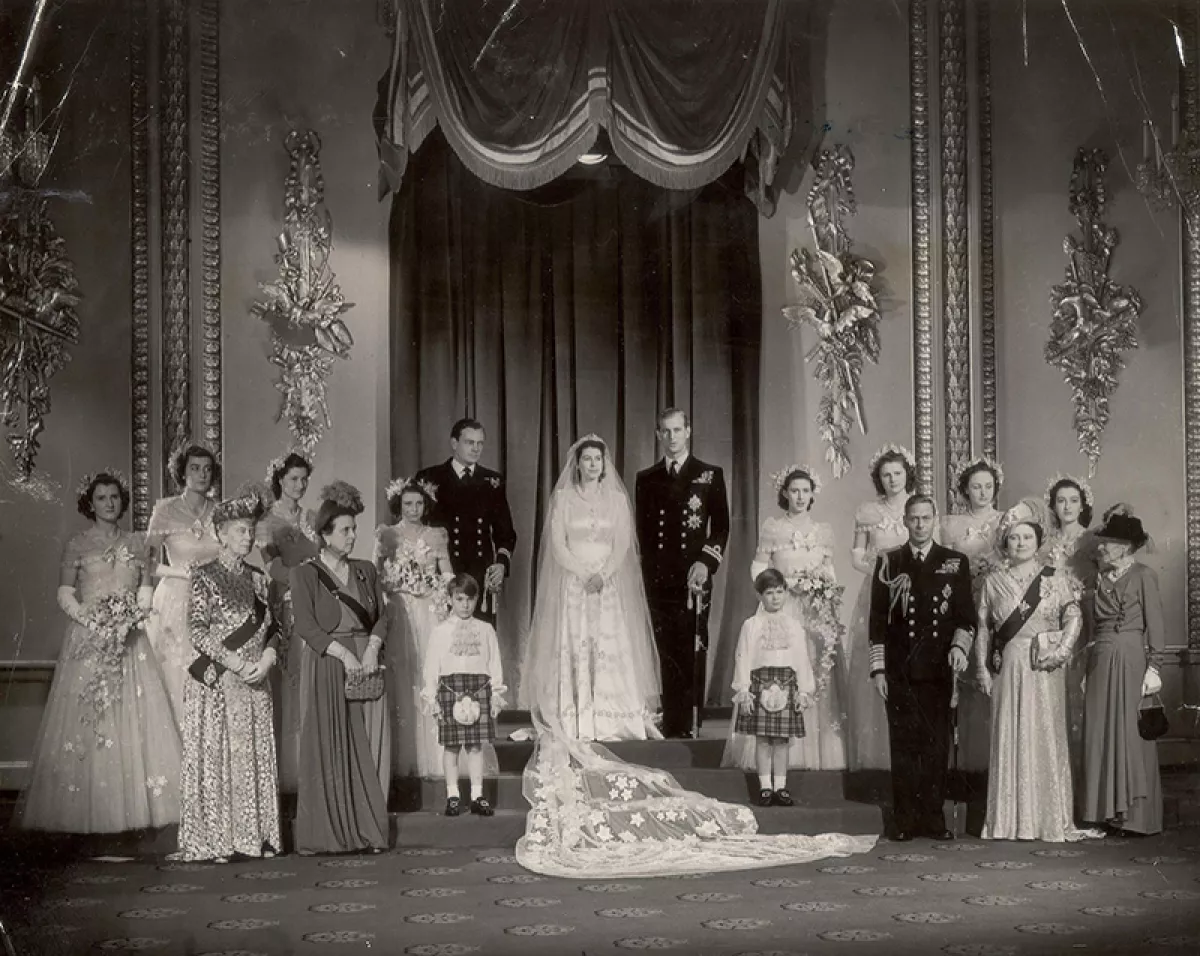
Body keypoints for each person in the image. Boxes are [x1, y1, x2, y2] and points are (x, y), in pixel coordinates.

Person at [18, 471, 181, 833]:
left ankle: (136, 812)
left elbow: (146, 586)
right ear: (90, 505)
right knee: (93, 719)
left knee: (131, 717)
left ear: (122, 500)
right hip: (89, 639)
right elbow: (64, 592)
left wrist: (133, 616)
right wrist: (92, 622)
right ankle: (88, 813)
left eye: (114, 497)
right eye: (102, 498)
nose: (110, 503)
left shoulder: (137, 542)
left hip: (130, 640)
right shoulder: (77, 543)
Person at [519, 436, 662, 742]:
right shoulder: (563, 498)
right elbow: (558, 544)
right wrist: (583, 574)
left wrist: (604, 574)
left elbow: (622, 542)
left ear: (604, 463)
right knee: (575, 643)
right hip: (575, 584)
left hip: (606, 586)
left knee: (605, 645)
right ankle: (576, 715)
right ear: (577, 463)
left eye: (598, 458)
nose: (593, 464)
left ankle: (608, 716)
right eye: (587, 459)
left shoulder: (617, 501)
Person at [975, 513, 1100, 842]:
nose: (1020, 543)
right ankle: (1008, 821)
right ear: (1005, 542)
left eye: (1027, 537)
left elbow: (1073, 616)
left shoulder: (1054, 577)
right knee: (1009, 736)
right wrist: (982, 671)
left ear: (1038, 541)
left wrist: (1060, 653)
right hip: (1008, 666)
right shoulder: (992, 582)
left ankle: (1046, 820)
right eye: (1014, 538)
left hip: (1043, 666)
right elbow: (984, 631)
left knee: (1043, 734)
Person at [174, 490, 281, 862]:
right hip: (218, 681)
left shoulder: (258, 579)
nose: (247, 538)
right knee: (221, 760)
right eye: (239, 531)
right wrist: (235, 664)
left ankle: (256, 838)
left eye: (250, 531)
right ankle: (220, 840)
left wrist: (266, 661)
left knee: (252, 759)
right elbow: (198, 632)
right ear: (220, 533)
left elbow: (273, 629)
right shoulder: (204, 575)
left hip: (255, 681)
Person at [290, 481, 390, 854]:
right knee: (329, 749)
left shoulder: (366, 571)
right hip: (330, 665)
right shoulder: (304, 575)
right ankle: (330, 835)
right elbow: (306, 626)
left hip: (368, 663)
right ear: (325, 534)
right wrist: (347, 656)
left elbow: (382, 616)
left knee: (370, 748)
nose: (352, 536)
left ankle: (370, 830)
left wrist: (371, 650)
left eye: (354, 530)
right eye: (345, 530)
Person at [724, 465, 845, 772]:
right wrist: (774, 591)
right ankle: (769, 751)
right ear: (784, 494)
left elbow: (829, 571)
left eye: (806, 491)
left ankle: (813, 751)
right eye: (795, 491)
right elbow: (758, 566)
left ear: (812, 494)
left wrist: (822, 587)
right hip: (782, 608)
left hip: (814, 611)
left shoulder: (823, 532)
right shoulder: (773, 528)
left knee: (812, 672)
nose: (800, 497)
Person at [869, 494, 974, 841]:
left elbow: (966, 617)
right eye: (913, 518)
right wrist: (879, 670)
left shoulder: (955, 562)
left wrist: (960, 647)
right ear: (904, 520)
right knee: (903, 747)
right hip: (900, 672)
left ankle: (933, 819)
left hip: (937, 671)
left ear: (935, 520)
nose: (919, 524)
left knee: (935, 746)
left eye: (926, 518)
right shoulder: (889, 561)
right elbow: (877, 622)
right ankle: (905, 821)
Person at [634, 408, 730, 738]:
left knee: (692, 647)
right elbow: (643, 533)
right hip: (658, 577)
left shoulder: (709, 474)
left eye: (678, 430)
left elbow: (721, 528)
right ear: (659, 435)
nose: (672, 437)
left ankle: (690, 722)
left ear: (688, 431)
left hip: (694, 577)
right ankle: (672, 721)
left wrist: (706, 562)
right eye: (666, 431)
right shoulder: (646, 478)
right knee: (665, 650)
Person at [375, 476, 472, 778]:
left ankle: (438, 757)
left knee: (430, 675)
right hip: (400, 610)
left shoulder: (435, 535)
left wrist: (448, 603)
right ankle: (404, 757)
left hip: (430, 611)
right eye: (407, 504)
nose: (413, 509)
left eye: (418, 504)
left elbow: (447, 575)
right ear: (398, 505)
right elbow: (376, 573)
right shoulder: (387, 534)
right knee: (403, 675)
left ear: (425, 505)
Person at [1081, 505, 1164, 836]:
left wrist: (1155, 666)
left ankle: (1135, 818)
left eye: (1108, 542)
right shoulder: (1097, 578)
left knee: (1130, 733)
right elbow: (1090, 628)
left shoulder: (1144, 576)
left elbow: (1155, 623)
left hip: (1131, 660)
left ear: (1126, 546)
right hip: (1101, 659)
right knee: (1099, 732)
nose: (1101, 547)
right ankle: (1103, 815)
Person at [846, 444, 915, 770]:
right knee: (875, 662)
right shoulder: (868, 512)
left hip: (915, 593)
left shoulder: (921, 508)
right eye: (886, 475)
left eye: (898, 473)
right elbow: (857, 555)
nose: (893, 480)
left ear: (907, 475)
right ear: (879, 479)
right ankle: (877, 753)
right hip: (878, 590)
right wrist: (881, 573)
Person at [146, 443, 222, 727]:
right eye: (194, 468)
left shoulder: (221, 511)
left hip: (214, 603)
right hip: (175, 601)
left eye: (207, 469)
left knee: (210, 677)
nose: (202, 474)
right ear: (182, 472)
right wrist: (181, 573)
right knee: (176, 676)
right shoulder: (165, 510)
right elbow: (148, 564)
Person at [255, 451, 318, 792]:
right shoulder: (266, 521)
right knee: (289, 680)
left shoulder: (311, 516)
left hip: (313, 603)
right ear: (280, 480)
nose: (300, 485)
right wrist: (302, 580)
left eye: (304, 479)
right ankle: (286, 772)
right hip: (285, 601)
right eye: (294, 479)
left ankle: (311, 765)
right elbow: (271, 567)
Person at [939, 457, 1005, 778]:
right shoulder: (951, 524)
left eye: (988, 486)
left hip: (998, 605)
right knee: (963, 680)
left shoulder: (1006, 521)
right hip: (964, 602)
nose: (983, 492)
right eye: (976, 486)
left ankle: (1000, 760)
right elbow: (944, 566)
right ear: (965, 489)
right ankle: (968, 763)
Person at [414, 418, 517, 625]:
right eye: (470, 442)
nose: (476, 448)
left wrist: (501, 563)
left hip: (479, 572)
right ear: (454, 443)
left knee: (477, 638)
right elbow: (418, 526)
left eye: (480, 443)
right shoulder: (430, 477)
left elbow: (505, 533)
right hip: (442, 570)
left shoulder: (492, 481)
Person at [729, 569, 816, 807]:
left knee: (781, 740)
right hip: (760, 682)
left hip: (787, 684)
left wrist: (804, 690)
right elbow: (743, 657)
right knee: (763, 739)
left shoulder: (794, 626)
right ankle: (765, 787)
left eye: (780, 592)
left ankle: (781, 786)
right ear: (759, 596)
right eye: (769, 593)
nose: (775, 598)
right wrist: (744, 689)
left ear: (786, 593)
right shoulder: (751, 625)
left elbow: (801, 659)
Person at [422, 574, 506, 816]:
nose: (465, 605)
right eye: (459, 599)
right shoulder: (440, 631)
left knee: (475, 747)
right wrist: (432, 696)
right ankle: (453, 796)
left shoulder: (486, 629)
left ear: (477, 600)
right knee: (450, 747)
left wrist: (496, 694)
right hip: (450, 689)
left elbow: (494, 663)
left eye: (470, 599)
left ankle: (478, 796)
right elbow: (431, 665)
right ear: (450, 599)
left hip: (479, 688)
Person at [1040, 475, 1098, 788]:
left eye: (1073, 500)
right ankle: (1055, 786)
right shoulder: (1044, 542)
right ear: (1053, 505)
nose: (1067, 506)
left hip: (1085, 624)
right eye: (1061, 500)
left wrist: (1077, 595)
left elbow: (1103, 588)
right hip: (1052, 626)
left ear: (1083, 504)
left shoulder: (1092, 542)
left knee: (1080, 698)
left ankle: (1083, 788)